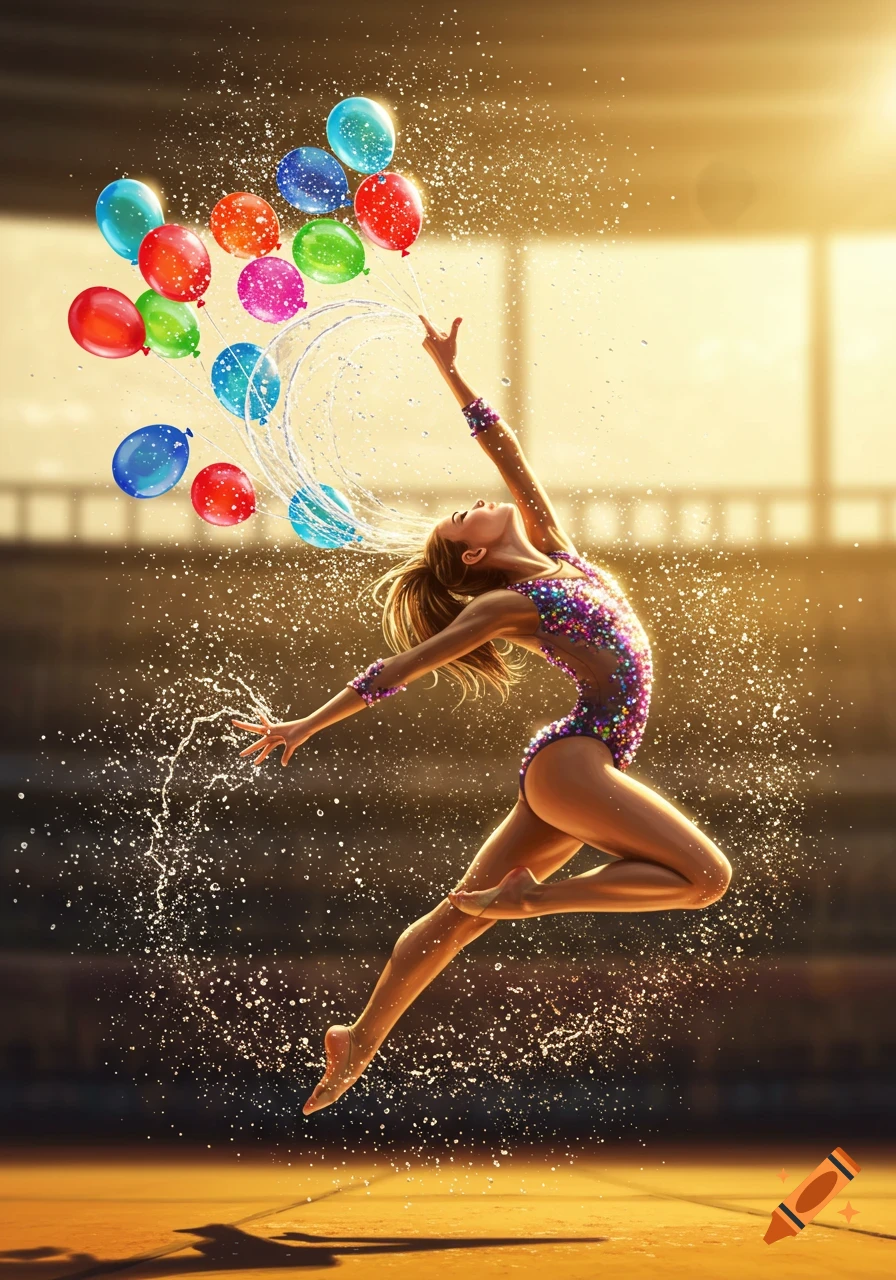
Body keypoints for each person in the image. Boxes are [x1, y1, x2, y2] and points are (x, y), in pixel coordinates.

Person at [232, 315, 733, 1116]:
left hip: (580, 764)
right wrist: (303, 726)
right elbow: (394, 672)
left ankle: (356, 1044)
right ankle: (533, 900)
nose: (472, 506)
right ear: (471, 555)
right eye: (461, 520)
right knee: (706, 880)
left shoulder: (560, 553)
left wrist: (449, 371)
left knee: (458, 917)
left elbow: (505, 453)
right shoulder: (506, 603)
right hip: (578, 760)